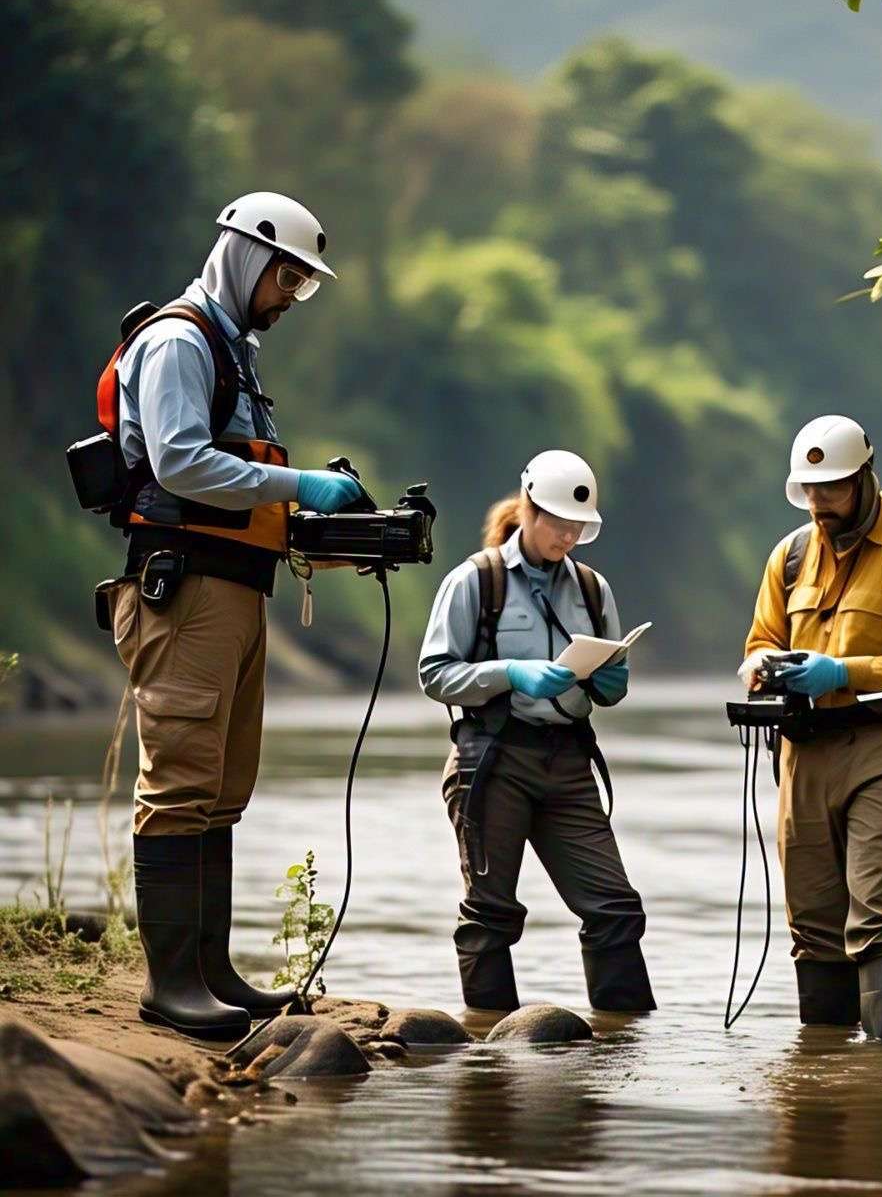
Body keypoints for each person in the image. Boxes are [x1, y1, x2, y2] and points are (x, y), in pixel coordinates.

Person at [102, 192, 369, 1039]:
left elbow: (241, 488)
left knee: (223, 789)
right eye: (287, 276)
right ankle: (169, 985)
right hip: (184, 595)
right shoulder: (181, 341)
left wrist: (339, 528)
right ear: (249, 259)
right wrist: (301, 486)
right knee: (180, 785)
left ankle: (211, 972)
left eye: (302, 283)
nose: (291, 296)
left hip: (235, 590)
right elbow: (181, 464)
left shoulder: (235, 356)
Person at [741, 415, 882, 1040]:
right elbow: (762, 639)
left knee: (877, 914)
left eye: (832, 488)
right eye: (809, 490)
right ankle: (827, 1075)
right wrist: (759, 666)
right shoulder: (787, 556)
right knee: (811, 921)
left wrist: (844, 672)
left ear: (866, 477)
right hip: (802, 754)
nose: (819, 503)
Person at [419, 450, 656, 1015]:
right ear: (528, 509)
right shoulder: (476, 580)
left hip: (569, 764)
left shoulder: (594, 590)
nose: (569, 535)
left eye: (579, 526)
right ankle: (488, 1051)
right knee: (490, 914)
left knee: (615, 910)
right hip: (493, 760)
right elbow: (434, 673)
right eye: (558, 522)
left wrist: (612, 681)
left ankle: (624, 1053)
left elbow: (610, 691)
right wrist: (510, 673)